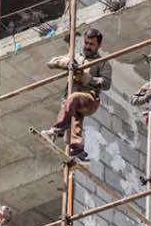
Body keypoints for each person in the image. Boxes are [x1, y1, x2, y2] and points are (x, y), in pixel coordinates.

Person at [41, 28, 112, 162]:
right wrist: (67, 63)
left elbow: (106, 83)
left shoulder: (103, 63)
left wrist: (88, 78)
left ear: (98, 45)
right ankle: (77, 149)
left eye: (92, 44)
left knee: (73, 98)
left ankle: (56, 130)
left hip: (89, 99)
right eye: (86, 43)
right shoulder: (76, 57)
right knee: (75, 119)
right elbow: (51, 62)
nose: (88, 46)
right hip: (73, 101)